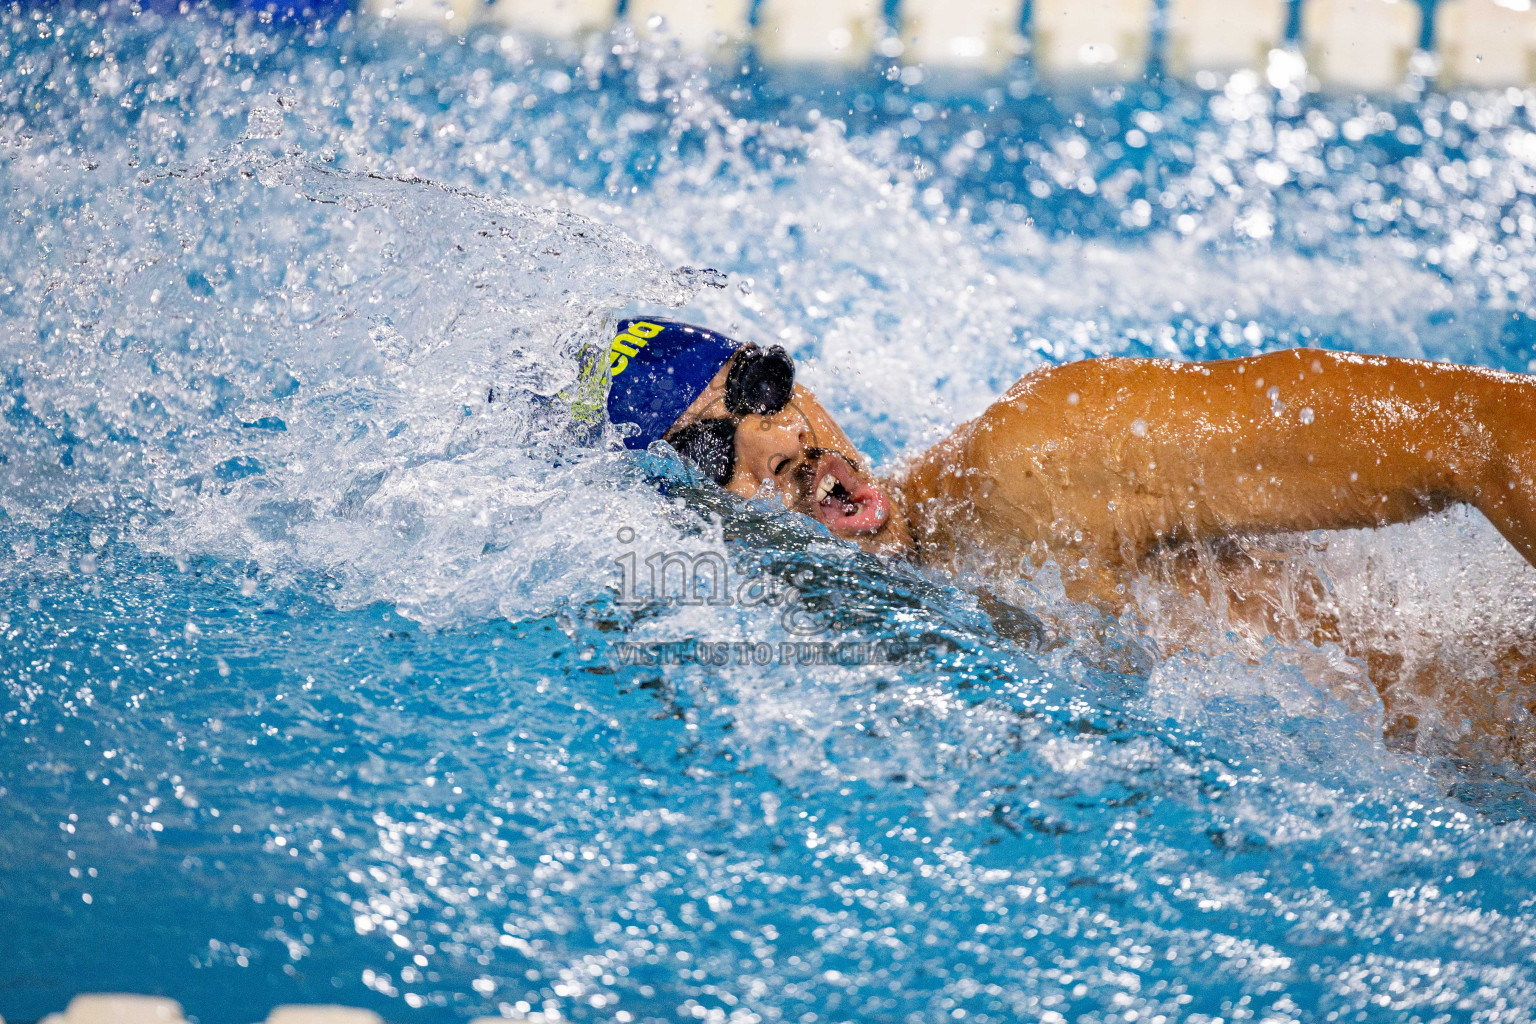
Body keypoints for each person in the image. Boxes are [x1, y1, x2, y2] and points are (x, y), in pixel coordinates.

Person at [600, 315, 1536, 747]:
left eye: (765, 389)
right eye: (709, 448)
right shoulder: (799, 657)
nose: (780, 438)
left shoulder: (1044, 458)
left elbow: (1483, 431)